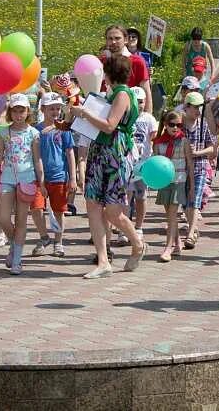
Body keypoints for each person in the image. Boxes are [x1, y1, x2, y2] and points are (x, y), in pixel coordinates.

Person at [70, 55, 146, 278]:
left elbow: (110, 125)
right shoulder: (112, 93)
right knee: (92, 205)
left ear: (110, 74)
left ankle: (137, 242)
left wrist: (85, 113)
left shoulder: (123, 93)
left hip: (115, 153)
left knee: (112, 211)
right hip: (99, 152)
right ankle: (103, 261)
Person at [0, 93, 45, 276]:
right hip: (7, 177)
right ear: (10, 112)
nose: (18, 114)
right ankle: (13, 242)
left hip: (27, 178)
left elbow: (37, 159)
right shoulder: (4, 133)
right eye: (15, 111)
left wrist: (41, 181)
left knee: (22, 220)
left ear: (27, 112)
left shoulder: (33, 133)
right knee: (3, 217)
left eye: (21, 111)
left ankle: (17, 258)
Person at [35, 92, 77, 258]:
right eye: (51, 108)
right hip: (38, 178)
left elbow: (70, 152)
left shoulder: (64, 129)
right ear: (43, 109)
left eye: (58, 109)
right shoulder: (36, 130)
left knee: (59, 210)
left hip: (59, 176)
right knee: (36, 208)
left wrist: (73, 177)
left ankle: (58, 242)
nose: (55, 112)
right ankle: (44, 237)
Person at [152, 110, 193, 263]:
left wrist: (192, 187)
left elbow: (190, 164)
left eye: (179, 125)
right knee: (169, 215)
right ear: (165, 124)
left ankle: (168, 248)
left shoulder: (184, 141)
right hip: (164, 182)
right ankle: (178, 245)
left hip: (179, 182)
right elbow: (155, 163)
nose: (175, 128)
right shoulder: (158, 142)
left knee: (172, 215)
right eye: (172, 125)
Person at [181, 91, 214, 250]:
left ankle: (190, 233)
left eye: (200, 107)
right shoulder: (179, 124)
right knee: (185, 203)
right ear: (186, 107)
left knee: (195, 201)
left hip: (200, 167)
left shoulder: (204, 125)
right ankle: (193, 228)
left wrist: (197, 153)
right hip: (181, 169)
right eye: (195, 107)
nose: (198, 111)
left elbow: (212, 148)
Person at [126, 86, 157, 241]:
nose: (138, 105)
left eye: (140, 102)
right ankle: (123, 229)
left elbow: (153, 139)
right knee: (126, 196)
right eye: (135, 101)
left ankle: (138, 227)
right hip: (127, 162)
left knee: (141, 196)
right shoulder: (125, 116)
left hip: (143, 163)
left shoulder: (149, 119)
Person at [104, 25, 153, 115]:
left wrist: (148, 119)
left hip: (128, 115)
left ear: (125, 40)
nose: (113, 42)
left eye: (117, 38)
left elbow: (146, 92)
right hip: (103, 112)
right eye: (110, 39)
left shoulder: (137, 62)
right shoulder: (101, 60)